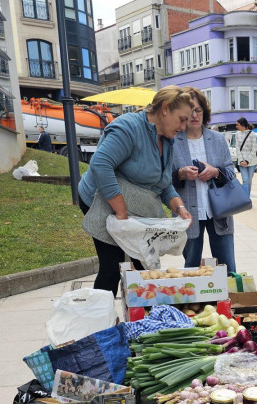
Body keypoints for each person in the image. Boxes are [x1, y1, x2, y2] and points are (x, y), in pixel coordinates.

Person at [77, 86, 194, 294]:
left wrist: (179, 207)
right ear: (165, 108)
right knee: (112, 268)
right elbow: (101, 165)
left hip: (133, 209)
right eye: (182, 119)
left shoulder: (167, 140)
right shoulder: (128, 127)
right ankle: (102, 320)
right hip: (100, 201)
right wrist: (121, 211)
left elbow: (164, 182)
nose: (184, 127)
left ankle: (142, 318)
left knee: (145, 268)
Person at [171, 87, 237, 272]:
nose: (194, 115)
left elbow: (231, 173)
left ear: (204, 112)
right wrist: (181, 174)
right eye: (190, 111)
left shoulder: (217, 139)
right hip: (188, 213)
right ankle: (194, 301)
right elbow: (164, 179)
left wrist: (216, 172)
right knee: (191, 266)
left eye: (198, 110)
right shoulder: (173, 140)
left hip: (219, 211)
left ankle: (229, 300)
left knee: (227, 266)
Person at [235, 117, 256, 195]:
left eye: (238, 125)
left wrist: (247, 161)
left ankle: (248, 196)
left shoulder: (252, 134)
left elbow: (254, 149)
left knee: (249, 180)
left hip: (252, 161)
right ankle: (245, 198)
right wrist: (241, 160)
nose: (236, 126)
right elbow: (237, 148)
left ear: (243, 125)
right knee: (245, 179)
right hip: (241, 161)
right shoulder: (237, 134)